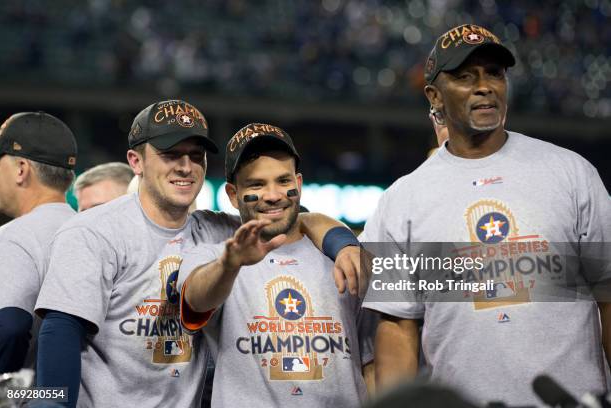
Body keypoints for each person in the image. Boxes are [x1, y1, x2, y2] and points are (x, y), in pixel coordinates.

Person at [35, 101, 363, 407]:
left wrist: (343, 243)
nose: (186, 167)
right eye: (170, 154)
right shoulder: (94, 231)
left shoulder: (219, 230)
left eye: (196, 155)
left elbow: (297, 218)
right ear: (136, 161)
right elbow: (59, 333)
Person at [361, 24, 611, 406]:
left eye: (494, 73)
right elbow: (398, 327)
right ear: (435, 96)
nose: (485, 86)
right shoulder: (402, 199)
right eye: (465, 77)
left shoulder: (571, 172)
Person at [178, 123, 375, 407]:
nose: (273, 195)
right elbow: (195, 298)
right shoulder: (213, 257)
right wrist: (230, 265)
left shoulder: (344, 257)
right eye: (256, 184)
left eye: (283, 181)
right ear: (233, 195)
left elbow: (373, 362)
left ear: (299, 184)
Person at [0, 112, 77, 374]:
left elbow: (10, 327)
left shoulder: (15, 236)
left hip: (27, 397)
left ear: (21, 169)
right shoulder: (91, 231)